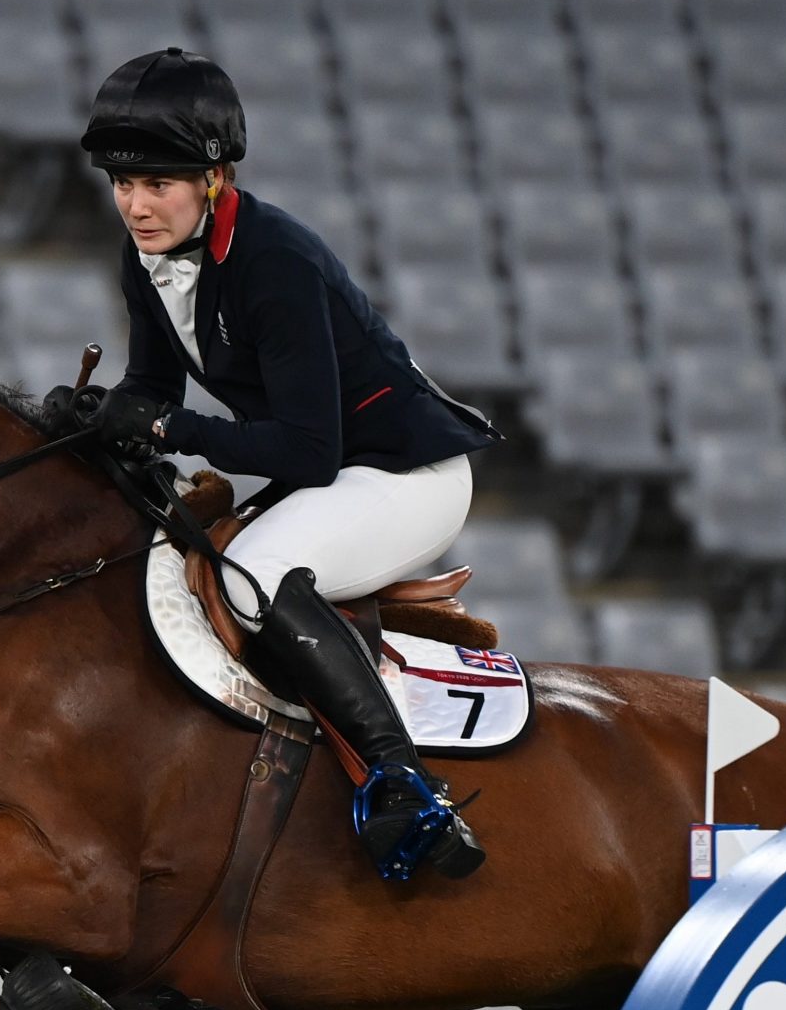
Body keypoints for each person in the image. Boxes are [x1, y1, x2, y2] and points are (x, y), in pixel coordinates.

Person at [46, 46, 498, 883]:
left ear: (214, 178)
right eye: (122, 183)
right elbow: (151, 386)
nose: (136, 206)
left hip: (408, 473)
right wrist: (96, 420)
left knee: (252, 573)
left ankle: (408, 787)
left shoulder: (275, 259)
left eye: (158, 185)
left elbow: (305, 447)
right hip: (333, 471)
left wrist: (170, 426)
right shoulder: (145, 255)